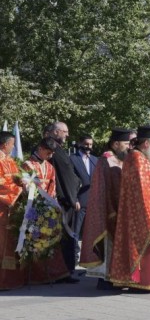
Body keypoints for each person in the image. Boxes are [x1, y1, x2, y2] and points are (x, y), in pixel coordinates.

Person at [110, 125, 150, 293]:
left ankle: (142, 281)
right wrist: (149, 213)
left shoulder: (136, 158)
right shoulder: (137, 159)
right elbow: (143, 188)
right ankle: (142, 282)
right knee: (143, 245)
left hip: (138, 211)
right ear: (147, 143)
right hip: (140, 212)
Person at [79, 128, 131, 290]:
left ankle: (115, 276)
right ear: (115, 144)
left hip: (118, 207)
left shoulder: (120, 158)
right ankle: (105, 279)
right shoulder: (106, 160)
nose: (129, 147)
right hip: (107, 209)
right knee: (108, 246)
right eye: (126, 143)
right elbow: (108, 186)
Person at [22, 138, 71, 284]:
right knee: (34, 241)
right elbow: (26, 188)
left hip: (47, 209)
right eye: (48, 152)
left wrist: (51, 205)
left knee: (51, 240)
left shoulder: (50, 167)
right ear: (40, 148)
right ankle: (38, 275)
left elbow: (52, 189)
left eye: (52, 153)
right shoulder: (27, 165)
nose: (50, 156)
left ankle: (55, 273)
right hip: (32, 208)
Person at [49, 122, 81, 282]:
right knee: (64, 236)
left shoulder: (58, 149)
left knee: (68, 237)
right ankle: (63, 272)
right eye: (65, 132)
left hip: (66, 199)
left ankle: (68, 269)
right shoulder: (52, 149)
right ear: (56, 132)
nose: (67, 135)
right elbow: (64, 177)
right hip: (63, 200)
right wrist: (72, 198)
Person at [0, 131, 24, 290]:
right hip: (2, 208)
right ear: (4, 144)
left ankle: (10, 279)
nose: (14, 146)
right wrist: (17, 189)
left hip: (12, 209)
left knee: (10, 241)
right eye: (12, 143)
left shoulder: (11, 160)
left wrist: (24, 182)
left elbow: (17, 178)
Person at [70, 134, 98, 264]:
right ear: (80, 143)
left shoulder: (95, 160)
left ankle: (90, 257)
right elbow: (71, 182)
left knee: (92, 231)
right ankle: (74, 257)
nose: (89, 147)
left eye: (91, 145)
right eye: (86, 144)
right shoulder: (72, 159)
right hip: (79, 202)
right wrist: (74, 199)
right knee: (75, 231)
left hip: (93, 202)